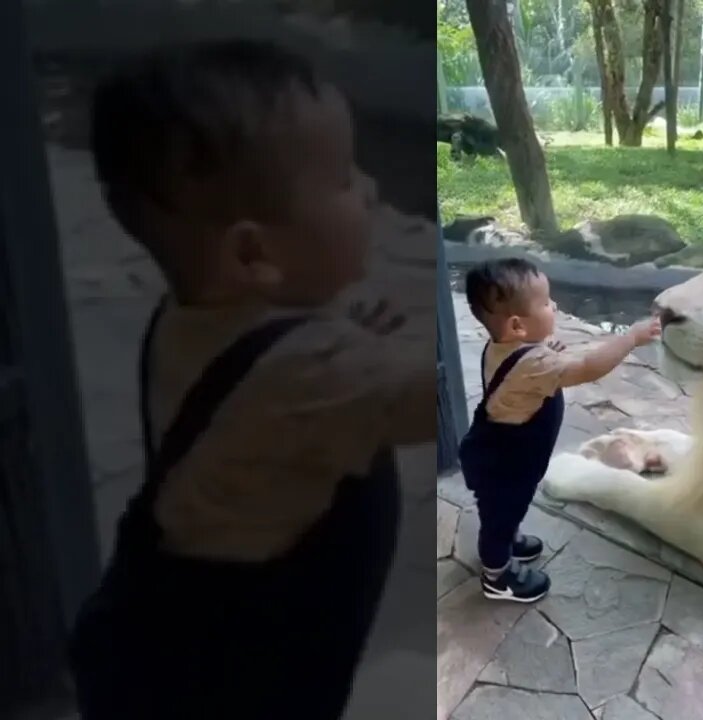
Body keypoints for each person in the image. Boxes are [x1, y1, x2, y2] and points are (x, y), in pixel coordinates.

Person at [67, 39, 433, 720]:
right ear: (253, 254)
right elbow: (450, 401)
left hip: (175, 651)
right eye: (345, 179)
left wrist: (354, 349)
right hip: (247, 682)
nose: (371, 189)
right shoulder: (312, 374)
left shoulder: (191, 319)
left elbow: (269, 400)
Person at [459, 258, 661, 602]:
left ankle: (506, 539)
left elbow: (520, 373)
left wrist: (541, 350)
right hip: (505, 462)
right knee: (500, 516)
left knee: (504, 510)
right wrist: (630, 338)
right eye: (546, 302)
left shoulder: (509, 347)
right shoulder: (535, 364)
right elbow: (587, 367)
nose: (553, 306)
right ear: (518, 325)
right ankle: (497, 576)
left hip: (497, 450)